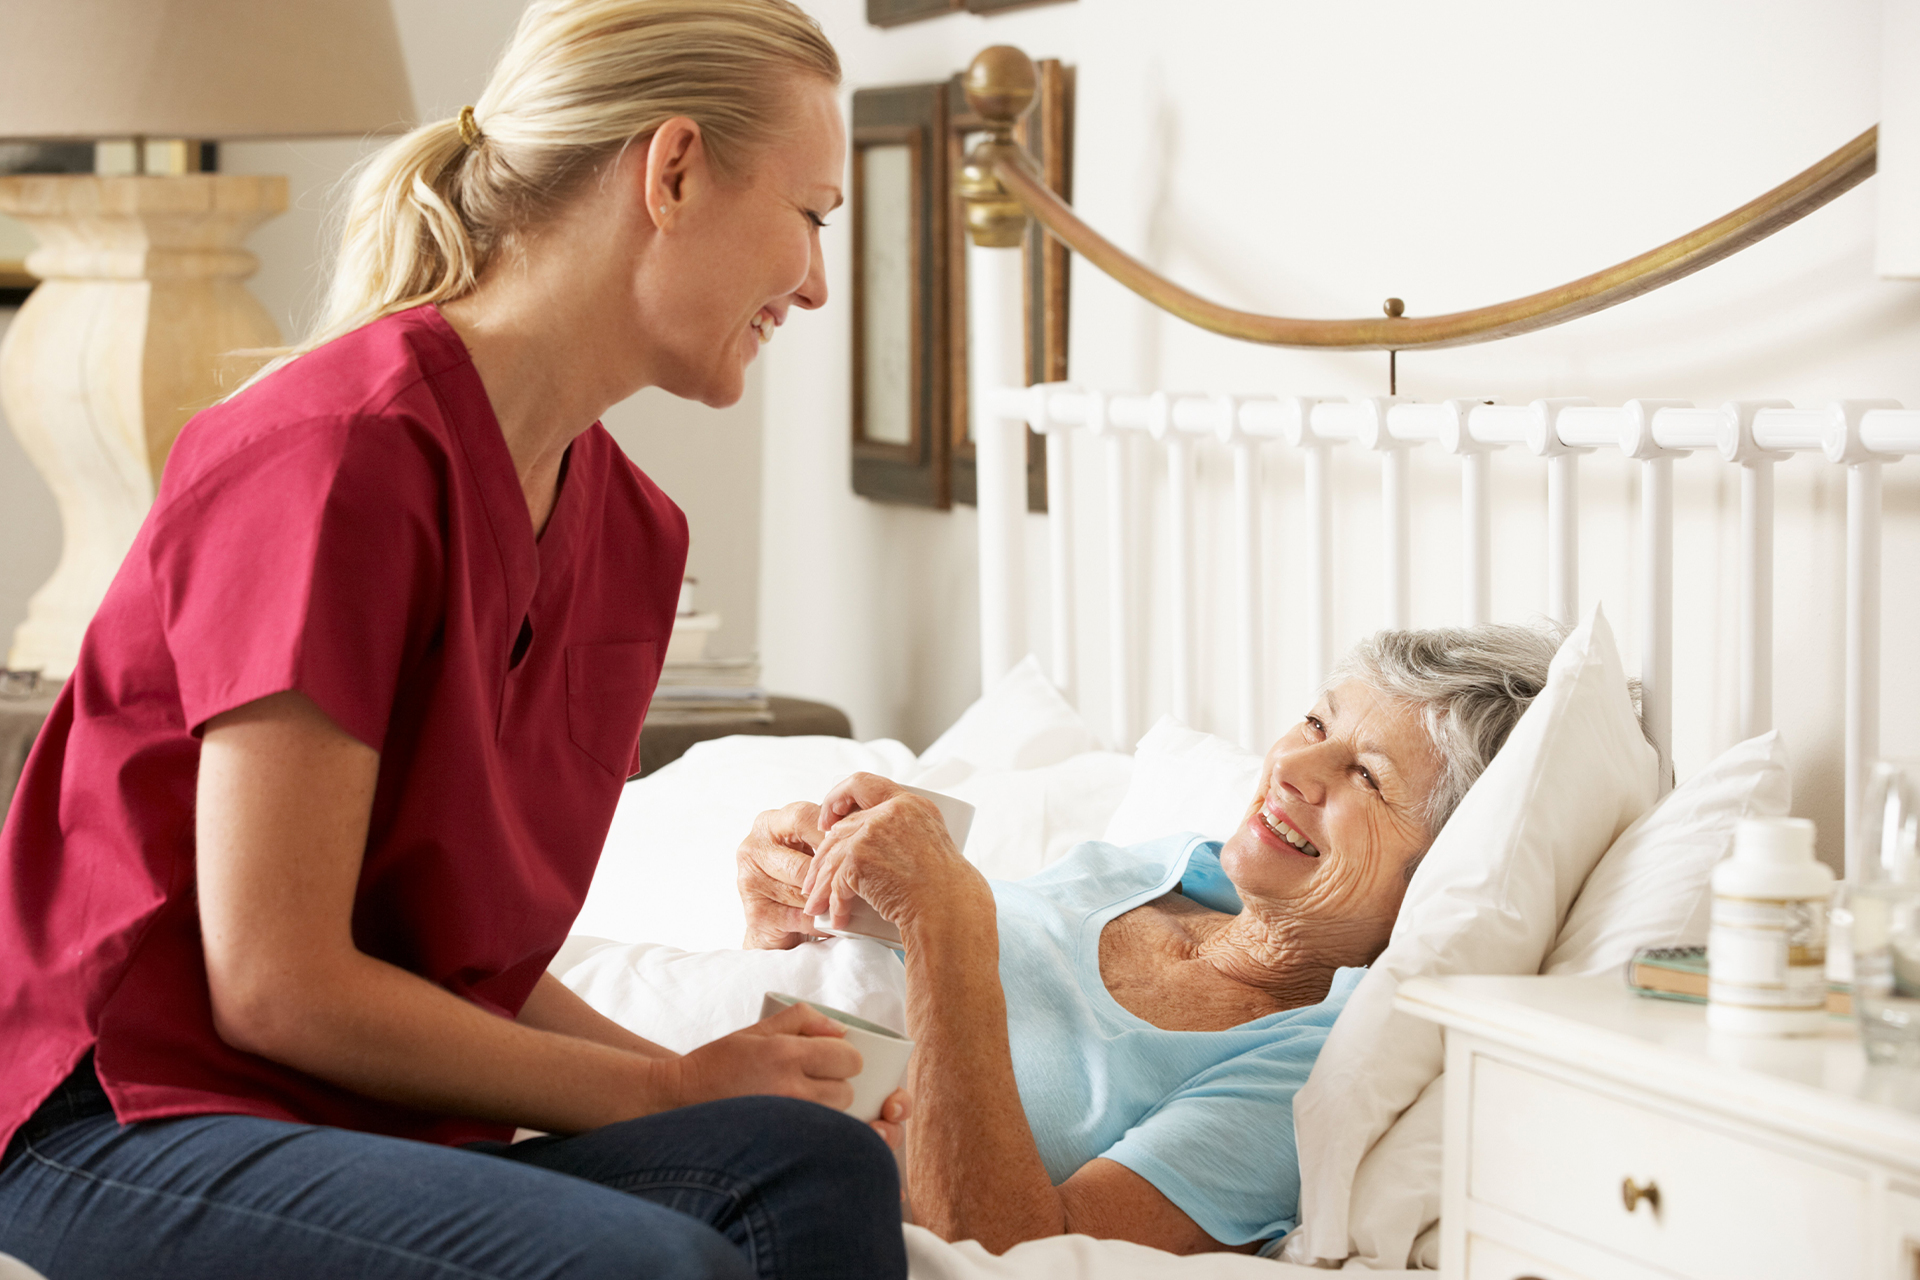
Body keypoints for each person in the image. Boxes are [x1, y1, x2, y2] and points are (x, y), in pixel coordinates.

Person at [0, 4, 909, 1279]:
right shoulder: (334, 454)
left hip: (358, 1124)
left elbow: (458, 957)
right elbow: (273, 979)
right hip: (129, 1109)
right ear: (674, 169)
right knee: (651, 1265)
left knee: (810, 1165)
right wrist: (657, 1093)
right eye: (813, 213)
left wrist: (709, 1084)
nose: (816, 280)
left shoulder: (634, 535)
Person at [734, 624, 1566, 1257]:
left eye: (1369, 779)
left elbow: (1019, 1258)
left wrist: (946, 920)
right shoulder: (1157, 867)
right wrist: (790, 898)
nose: (1294, 770)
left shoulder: (1313, 1067)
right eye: (1316, 724)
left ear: (1444, 869)